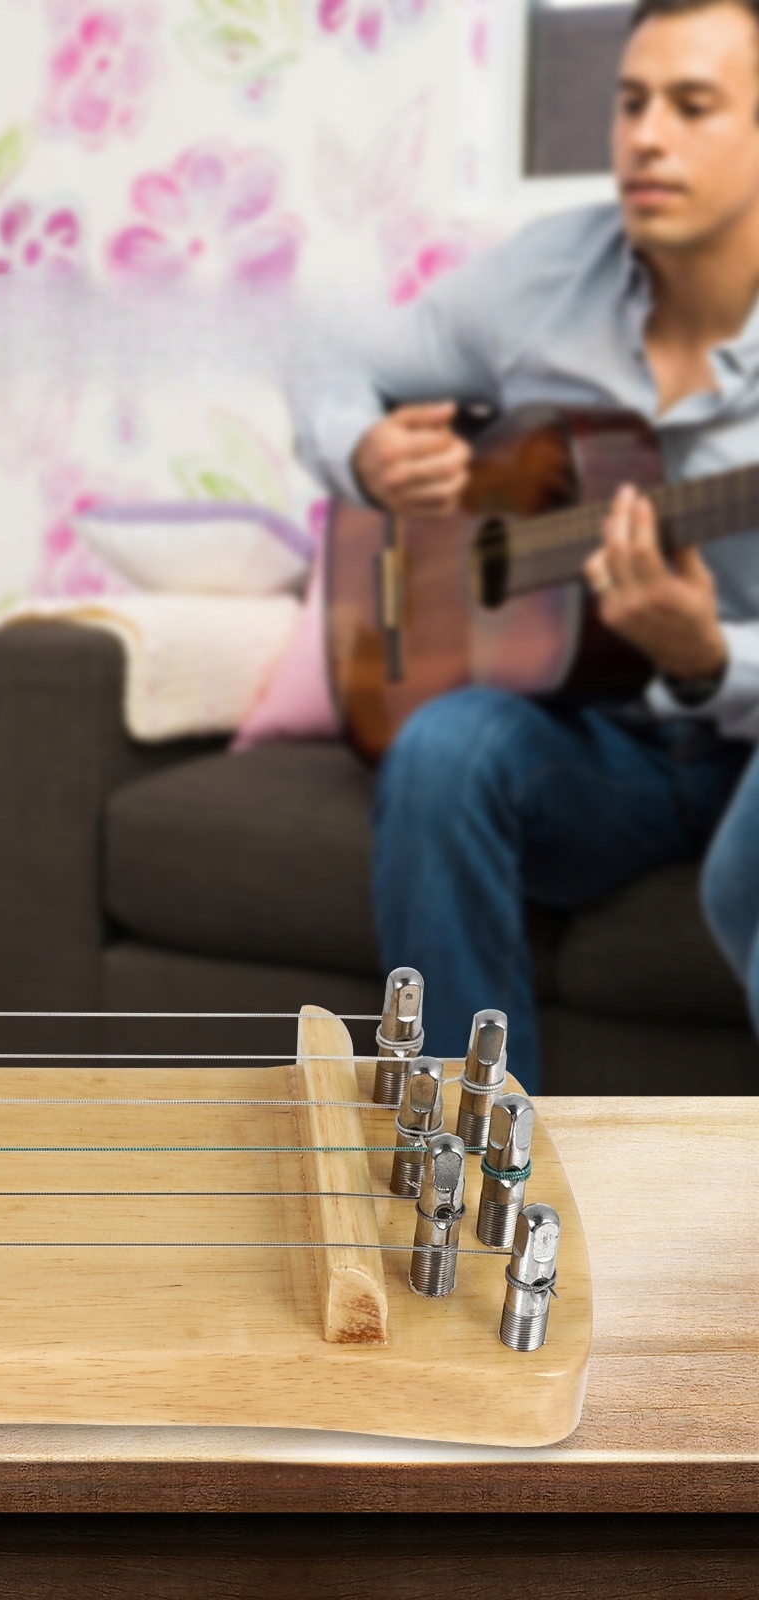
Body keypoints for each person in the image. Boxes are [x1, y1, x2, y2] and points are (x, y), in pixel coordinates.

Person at [297, 0, 759, 1082]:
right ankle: (467, 1154)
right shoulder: (543, 278)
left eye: (692, 106)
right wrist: (365, 451)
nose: (646, 137)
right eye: (631, 103)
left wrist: (708, 658)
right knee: (442, 750)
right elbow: (331, 355)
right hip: (598, 743)